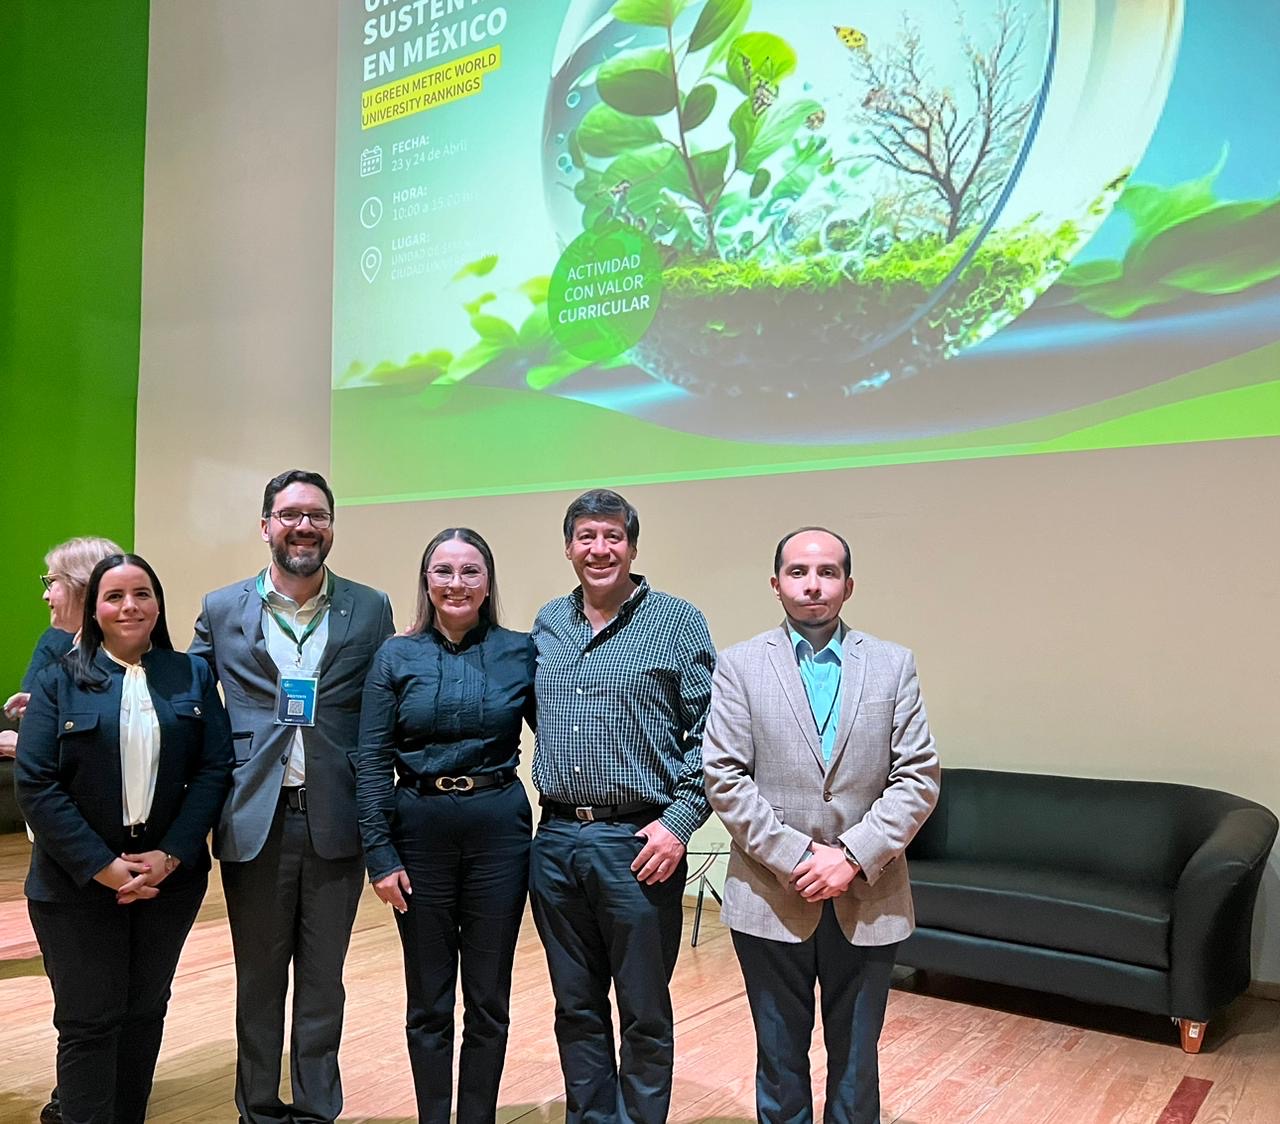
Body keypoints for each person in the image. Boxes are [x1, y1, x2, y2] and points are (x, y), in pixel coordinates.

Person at [703, 527, 940, 1124]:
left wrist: (852, 856)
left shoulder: (892, 665)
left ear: (849, 585)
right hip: (771, 894)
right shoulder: (738, 665)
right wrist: (800, 858)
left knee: (858, 1061)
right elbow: (725, 776)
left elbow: (918, 777)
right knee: (780, 1057)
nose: (814, 585)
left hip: (870, 892)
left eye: (828, 572)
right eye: (800, 573)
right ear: (776, 583)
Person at [189, 469, 394, 1124]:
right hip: (255, 819)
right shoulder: (223, 608)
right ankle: (257, 1110)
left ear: (331, 526)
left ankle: (315, 1112)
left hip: (336, 818)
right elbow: (181, 696)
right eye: (290, 514)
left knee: (322, 986)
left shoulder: (370, 607)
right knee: (258, 983)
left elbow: (388, 704)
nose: (304, 526)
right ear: (266, 526)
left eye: (318, 515)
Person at [15, 553, 233, 1124]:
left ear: (158, 604)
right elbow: (36, 783)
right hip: (75, 886)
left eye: (141, 594)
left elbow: (214, 769)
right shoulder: (57, 679)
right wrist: (103, 865)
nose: (128, 606)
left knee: (143, 1013)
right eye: (114, 596)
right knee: (88, 1021)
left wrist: (171, 856)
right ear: (94, 608)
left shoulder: (190, 675)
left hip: (167, 882)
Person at [529, 488, 716, 1124]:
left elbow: (712, 741)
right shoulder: (547, 624)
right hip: (554, 842)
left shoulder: (678, 622)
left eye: (612, 537)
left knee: (642, 1010)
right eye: (586, 536)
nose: (599, 549)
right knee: (574, 1006)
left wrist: (679, 823)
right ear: (568, 547)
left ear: (632, 547)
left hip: (640, 845)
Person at [357, 528, 536, 1123]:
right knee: (428, 999)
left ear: (488, 583)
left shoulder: (521, 651)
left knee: (489, 997)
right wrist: (379, 855)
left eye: (470, 571)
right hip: (419, 832)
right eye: (443, 571)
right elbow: (371, 759)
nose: (456, 584)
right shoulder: (395, 654)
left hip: (498, 833)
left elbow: (565, 735)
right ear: (426, 582)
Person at [2, 536, 123, 760]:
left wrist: (23, 746)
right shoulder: (56, 639)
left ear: (84, 586)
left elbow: (107, 751)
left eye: (52, 582)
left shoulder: (124, 655)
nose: (45, 595)